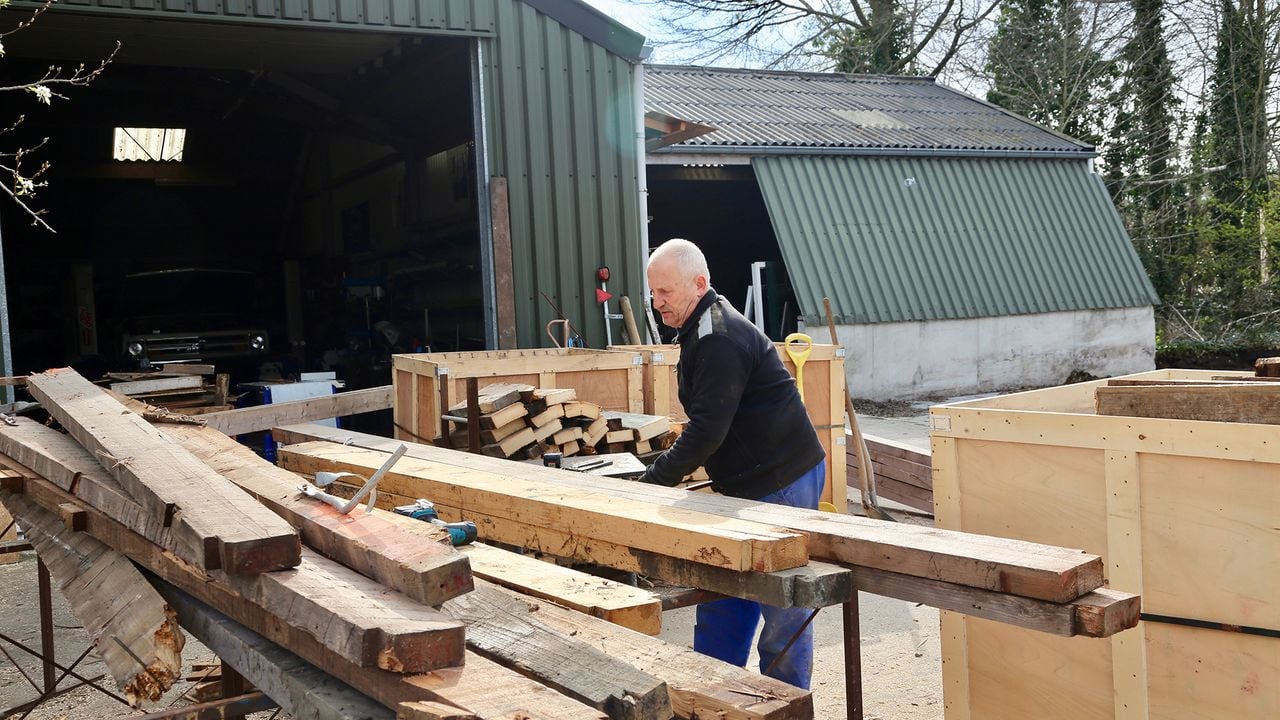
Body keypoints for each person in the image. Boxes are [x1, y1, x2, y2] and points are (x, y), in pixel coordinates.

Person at [640, 238, 826, 689]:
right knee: (723, 591)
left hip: (782, 480)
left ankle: (785, 705)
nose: (656, 302)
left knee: (782, 606)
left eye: (665, 292)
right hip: (742, 482)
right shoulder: (699, 329)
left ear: (699, 283)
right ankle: (716, 697)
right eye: (653, 292)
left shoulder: (718, 338)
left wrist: (651, 483)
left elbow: (706, 431)